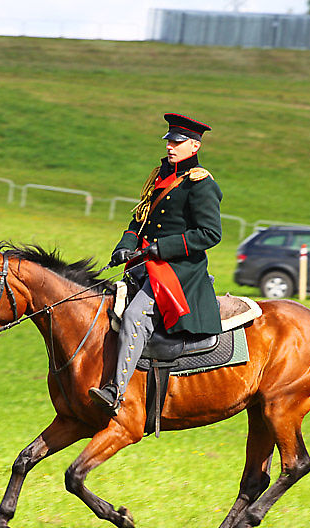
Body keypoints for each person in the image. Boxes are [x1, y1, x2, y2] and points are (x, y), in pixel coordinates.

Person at [88, 113, 224, 417]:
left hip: (178, 271)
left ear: (194, 145)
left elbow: (210, 234)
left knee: (135, 315)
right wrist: (126, 245)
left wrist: (165, 247)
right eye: (169, 141)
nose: (170, 147)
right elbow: (140, 218)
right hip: (145, 265)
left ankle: (116, 391)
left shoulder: (199, 183)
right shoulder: (162, 175)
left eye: (177, 142)